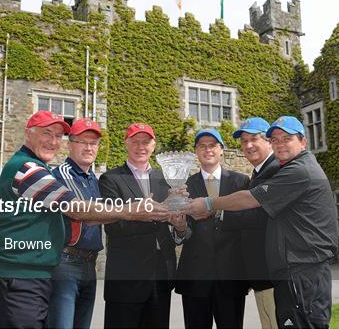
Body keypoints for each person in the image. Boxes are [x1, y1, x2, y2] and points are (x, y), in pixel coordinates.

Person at [0, 111, 168, 329]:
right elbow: (76, 209)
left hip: (42, 271)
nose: (53, 141)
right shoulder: (28, 169)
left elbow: (91, 217)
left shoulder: (66, 173)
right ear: (28, 134)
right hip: (17, 274)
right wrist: (130, 211)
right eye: (46, 133)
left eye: (58, 136)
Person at [183, 116, 339, 329]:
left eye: (286, 138)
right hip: (286, 272)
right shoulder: (273, 170)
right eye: (275, 139)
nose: (249, 145)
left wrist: (210, 205)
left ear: (303, 142)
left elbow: (252, 203)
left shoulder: (291, 171)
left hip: (301, 271)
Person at [98, 123, 188, 328]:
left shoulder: (166, 179)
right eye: (135, 141)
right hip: (126, 278)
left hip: (160, 277)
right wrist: (156, 214)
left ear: (154, 145)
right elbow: (113, 225)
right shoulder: (111, 179)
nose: (141, 146)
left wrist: (179, 226)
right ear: (126, 144)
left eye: (146, 142)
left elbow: (179, 229)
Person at [175, 129, 249, 329]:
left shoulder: (241, 182)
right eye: (202, 146)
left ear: (221, 150)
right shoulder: (184, 186)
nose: (207, 150)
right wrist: (180, 229)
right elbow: (184, 232)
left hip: (231, 275)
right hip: (195, 277)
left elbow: (247, 221)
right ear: (196, 151)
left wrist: (214, 209)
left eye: (212, 145)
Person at [221, 117, 279, 329]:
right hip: (262, 277)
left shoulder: (275, 170)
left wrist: (217, 213)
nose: (248, 145)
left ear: (269, 141)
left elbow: (260, 215)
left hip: (273, 276)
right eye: (244, 141)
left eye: (254, 139)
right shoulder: (258, 174)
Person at [47, 118, 104, 329]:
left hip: (90, 264)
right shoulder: (61, 175)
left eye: (94, 143)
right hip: (65, 263)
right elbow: (84, 212)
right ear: (69, 145)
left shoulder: (94, 180)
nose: (89, 147)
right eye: (82, 142)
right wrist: (133, 212)